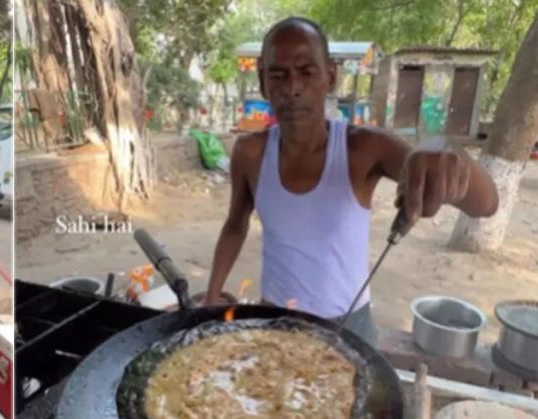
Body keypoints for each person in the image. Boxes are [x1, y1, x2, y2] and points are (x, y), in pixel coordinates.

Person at [202, 17, 498, 345]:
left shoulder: (363, 148)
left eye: (306, 71)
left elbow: (485, 204)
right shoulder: (250, 153)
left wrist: (444, 150)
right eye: (278, 74)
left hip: (348, 325)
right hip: (274, 319)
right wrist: (212, 294)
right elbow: (235, 224)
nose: (292, 87)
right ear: (263, 81)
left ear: (330, 76)